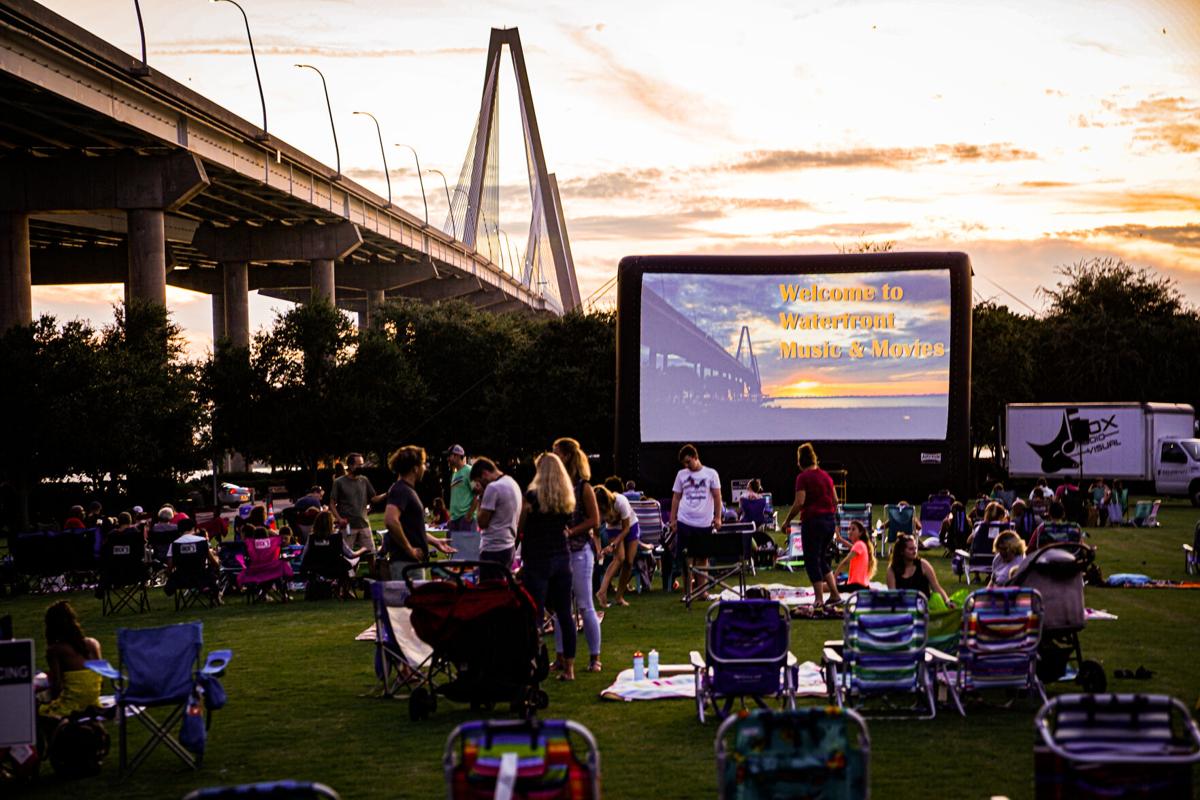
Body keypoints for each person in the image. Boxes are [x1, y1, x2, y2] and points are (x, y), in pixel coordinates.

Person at [517, 452, 578, 680]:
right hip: (562, 557)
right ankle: (569, 668)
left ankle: (533, 662)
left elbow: (520, 526)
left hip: (537, 559)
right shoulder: (566, 499)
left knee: (535, 614)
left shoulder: (532, 497)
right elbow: (567, 526)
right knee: (565, 614)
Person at [552, 437, 603, 673]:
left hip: (580, 551)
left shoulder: (584, 487)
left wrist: (571, 531)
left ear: (568, 456)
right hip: (559, 552)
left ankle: (595, 657)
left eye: (557, 453)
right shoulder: (555, 486)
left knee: (584, 605)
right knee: (560, 607)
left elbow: (595, 520)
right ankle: (561, 656)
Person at [780, 443, 842, 608]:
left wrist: (786, 521)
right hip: (829, 521)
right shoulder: (826, 476)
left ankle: (819, 599)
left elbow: (799, 502)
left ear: (800, 461)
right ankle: (835, 595)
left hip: (813, 522)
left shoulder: (803, 478)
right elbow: (836, 500)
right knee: (822, 558)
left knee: (811, 560)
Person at [384, 445, 455, 579]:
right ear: (415, 469)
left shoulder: (408, 490)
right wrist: (409, 549)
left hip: (411, 562)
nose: (425, 468)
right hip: (404, 562)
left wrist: (435, 541)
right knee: (407, 600)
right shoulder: (400, 489)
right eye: (422, 464)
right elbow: (390, 521)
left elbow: (411, 528)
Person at [669, 443, 723, 599]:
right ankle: (688, 593)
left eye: (688, 462)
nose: (687, 466)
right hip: (685, 520)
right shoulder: (681, 475)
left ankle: (702, 592)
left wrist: (718, 517)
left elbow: (717, 496)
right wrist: (673, 520)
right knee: (687, 559)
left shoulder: (711, 474)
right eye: (684, 463)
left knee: (702, 558)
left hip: (704, 523)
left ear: (695, 457)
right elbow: (676, 497)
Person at [332, 453, 385, 574]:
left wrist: (387, 494)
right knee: (346, 557)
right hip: (347, 526)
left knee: (371, 553)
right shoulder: (339, 482)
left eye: (362, 464)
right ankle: (347, 585)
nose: (362, 467)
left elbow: (374, 498)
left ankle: (372, 580)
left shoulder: (364, 480)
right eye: (359, 465)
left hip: (364, 524)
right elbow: (332, 504)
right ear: (350, 465)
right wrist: (339, 518)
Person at [470, 457, 523, 570]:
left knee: (489, 586)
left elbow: (482, 523)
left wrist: (480, 496)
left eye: (479, 481)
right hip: (509, 546)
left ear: (484, 474)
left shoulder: (493, 488)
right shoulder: (512, 482)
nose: (480, 485)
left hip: (493, 549)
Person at [594, 485, 640, 608]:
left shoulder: (621, 502)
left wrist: (613, 544)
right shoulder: (596, 510)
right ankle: (602, 591)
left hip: (630, 525)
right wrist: (599, 550)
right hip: (613, 528)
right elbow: (596, 533)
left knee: (629, 562)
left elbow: (626, 529)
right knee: (619, 558)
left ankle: (619, 597)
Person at [886, 533, 954, 606]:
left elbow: (936, 587)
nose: (914, 551)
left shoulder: (923, 565)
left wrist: (947, 602)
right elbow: (892, 595)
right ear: (901, 551)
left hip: (924, 607)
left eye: (915, 548)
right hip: (903, 608)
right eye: (910, 549)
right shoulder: (892, 569)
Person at [445, 444, 480, 561]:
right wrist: (451, 516)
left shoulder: (469, 471)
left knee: (468, 557)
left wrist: (469, 515)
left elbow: (477, 494)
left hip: (466, 520)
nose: (448, 459)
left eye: (449, 456)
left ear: (456, 456)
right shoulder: (454, 474)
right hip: (454, 520)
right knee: (455, 556)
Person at [834, 519, 876, 594]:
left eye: (853, 529)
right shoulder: (861, 544)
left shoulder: (859, 544)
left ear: (860, 533)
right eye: (849, 529)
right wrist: (840, 539)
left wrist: (834, 576)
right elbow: (852, 547)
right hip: (862, 585)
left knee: (828, 586)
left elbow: (845, 562)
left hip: (856, 586)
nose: (850, 531)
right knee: (830, 584)